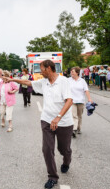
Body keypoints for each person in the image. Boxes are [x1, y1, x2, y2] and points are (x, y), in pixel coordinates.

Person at [6, 60, 73, 189]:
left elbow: (69, 101)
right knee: (47, 149)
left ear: (48, 68)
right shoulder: (44, 82)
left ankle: (66, 161)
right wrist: (11, 79)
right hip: (47, 120)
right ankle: (52, 177)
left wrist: (58, 118)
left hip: (63, 122)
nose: (40, 72)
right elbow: (27, 82)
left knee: (63, 149)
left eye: (41, 69)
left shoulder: (63, 81)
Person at [69, 67, 93, 138]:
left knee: (79, 116)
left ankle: (78, 128)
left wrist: (89, 99)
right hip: (72, 101)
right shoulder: (68, 80)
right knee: (74, 116)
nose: (71, 73)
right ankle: (74, 129)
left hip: (80, 101)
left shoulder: (82, 81)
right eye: (71, 71)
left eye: (73, 71)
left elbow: (86, 90)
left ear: (77, 72)